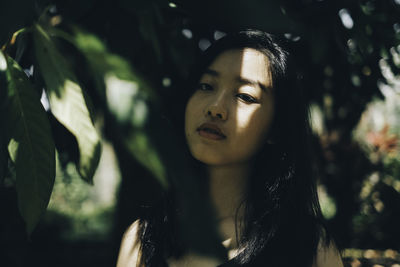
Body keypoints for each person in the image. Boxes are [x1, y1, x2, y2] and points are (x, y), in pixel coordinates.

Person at [116, 29, 344, 267]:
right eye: (206, 86)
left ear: (276, 128)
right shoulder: (143, 240)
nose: (215, 108)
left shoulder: (309, 249)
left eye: (245, 96)